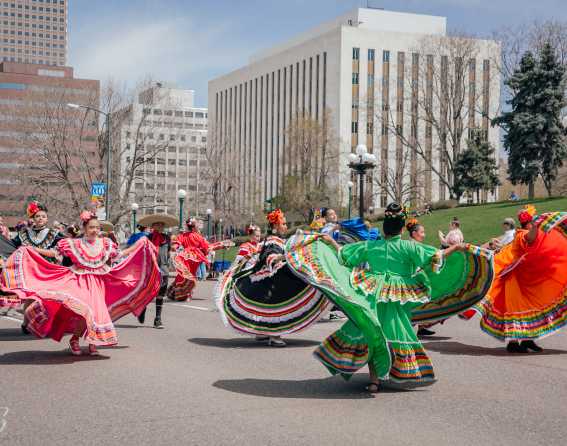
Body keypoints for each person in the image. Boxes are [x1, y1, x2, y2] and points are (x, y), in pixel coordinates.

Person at [286, 203, 494, 393]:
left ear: (385, 229)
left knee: (370, 329)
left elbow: (344, 255)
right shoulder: (409, 247)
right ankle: (400, 371)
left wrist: (330, 242)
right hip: (397, 295)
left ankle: (375, 379)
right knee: (397, 329)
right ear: (402, 229)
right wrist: (457, 247)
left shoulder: (371, 246)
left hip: (372, 293)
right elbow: (436, 257)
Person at [0, 210, 161, 356]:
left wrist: (138, 245)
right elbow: (55, 253)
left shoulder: (105, 243)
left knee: (95, 313)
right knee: (84, 311)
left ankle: (90, 341)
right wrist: (34, 250)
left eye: (97, 227)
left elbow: (119, 255)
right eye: (91, 227)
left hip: (98, 282)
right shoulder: (74, 243)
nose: (95, 230)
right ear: (85, 228)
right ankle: (76, 340)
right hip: (79, 281)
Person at [216, 209, 330, 347]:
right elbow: (271, 258)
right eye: (283, 223)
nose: (286, 226)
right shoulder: (272, 240)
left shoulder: (275, 239)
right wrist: (285, 258)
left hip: (268, 277)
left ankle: (262, 332)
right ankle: (274, 335)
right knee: (276, 304)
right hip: (270, 278)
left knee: (271, 304)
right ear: (275, 226)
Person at [470, 206, 567, 353]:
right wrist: (537, 225)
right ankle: (513, 342)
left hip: (524, 277)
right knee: (516, 310)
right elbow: (531, 239)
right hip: (513, 280)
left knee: (530, 307)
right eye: (533, 220)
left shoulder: (522, 233)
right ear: (529, 223)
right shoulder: (522, 234)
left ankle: (528, 340)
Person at [10, 202, 66, 334]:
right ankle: (25, 322)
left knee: (46, 298)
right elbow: (12, 246)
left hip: (47, 270)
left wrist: (35, 249)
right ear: (33, 219)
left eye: (43, 216)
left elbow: (59, 250)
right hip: (30, 270)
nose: (40, 218)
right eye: (37, 216)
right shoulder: (23, 233)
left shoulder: (54, 234)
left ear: (47, 219)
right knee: (31, 297)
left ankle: (44, 323)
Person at [169, 217, 233, 301]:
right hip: (195, 257)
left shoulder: (182, 236)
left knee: (183, 274)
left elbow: (176, 244)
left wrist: (174, 247)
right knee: (190, 275)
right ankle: (183, 294)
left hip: (185, 257)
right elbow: (207, 247)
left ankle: (177, 293)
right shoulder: (197, 237)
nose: (198, 226)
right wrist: (220, 245)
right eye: (197, 225)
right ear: (194, 226)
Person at [133, 214, 178, 329]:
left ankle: (158, 319)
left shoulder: (167, 238)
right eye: (158, 224)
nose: (160, 226)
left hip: (163, 269)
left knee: (160, 295)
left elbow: (167, 252)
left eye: (162, 224)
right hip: (150, 269)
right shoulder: (147, 238)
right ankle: (142, 310)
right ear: (153, 225)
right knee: (147, 293)